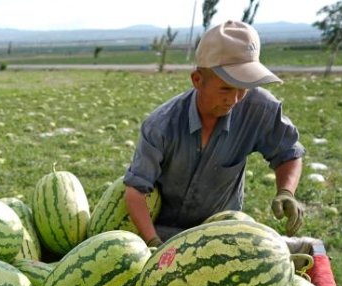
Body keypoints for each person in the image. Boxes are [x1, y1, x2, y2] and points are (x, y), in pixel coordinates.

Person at [123, 20, 306, 247]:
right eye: (226, 88)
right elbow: (135, 191)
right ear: (198, 80)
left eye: (244, 87)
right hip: (163, 232)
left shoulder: (259, 108)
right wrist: (153, 242)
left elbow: (288, 152)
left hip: (221, 233)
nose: (236, 98)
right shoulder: (161, 125)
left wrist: (286, 191)